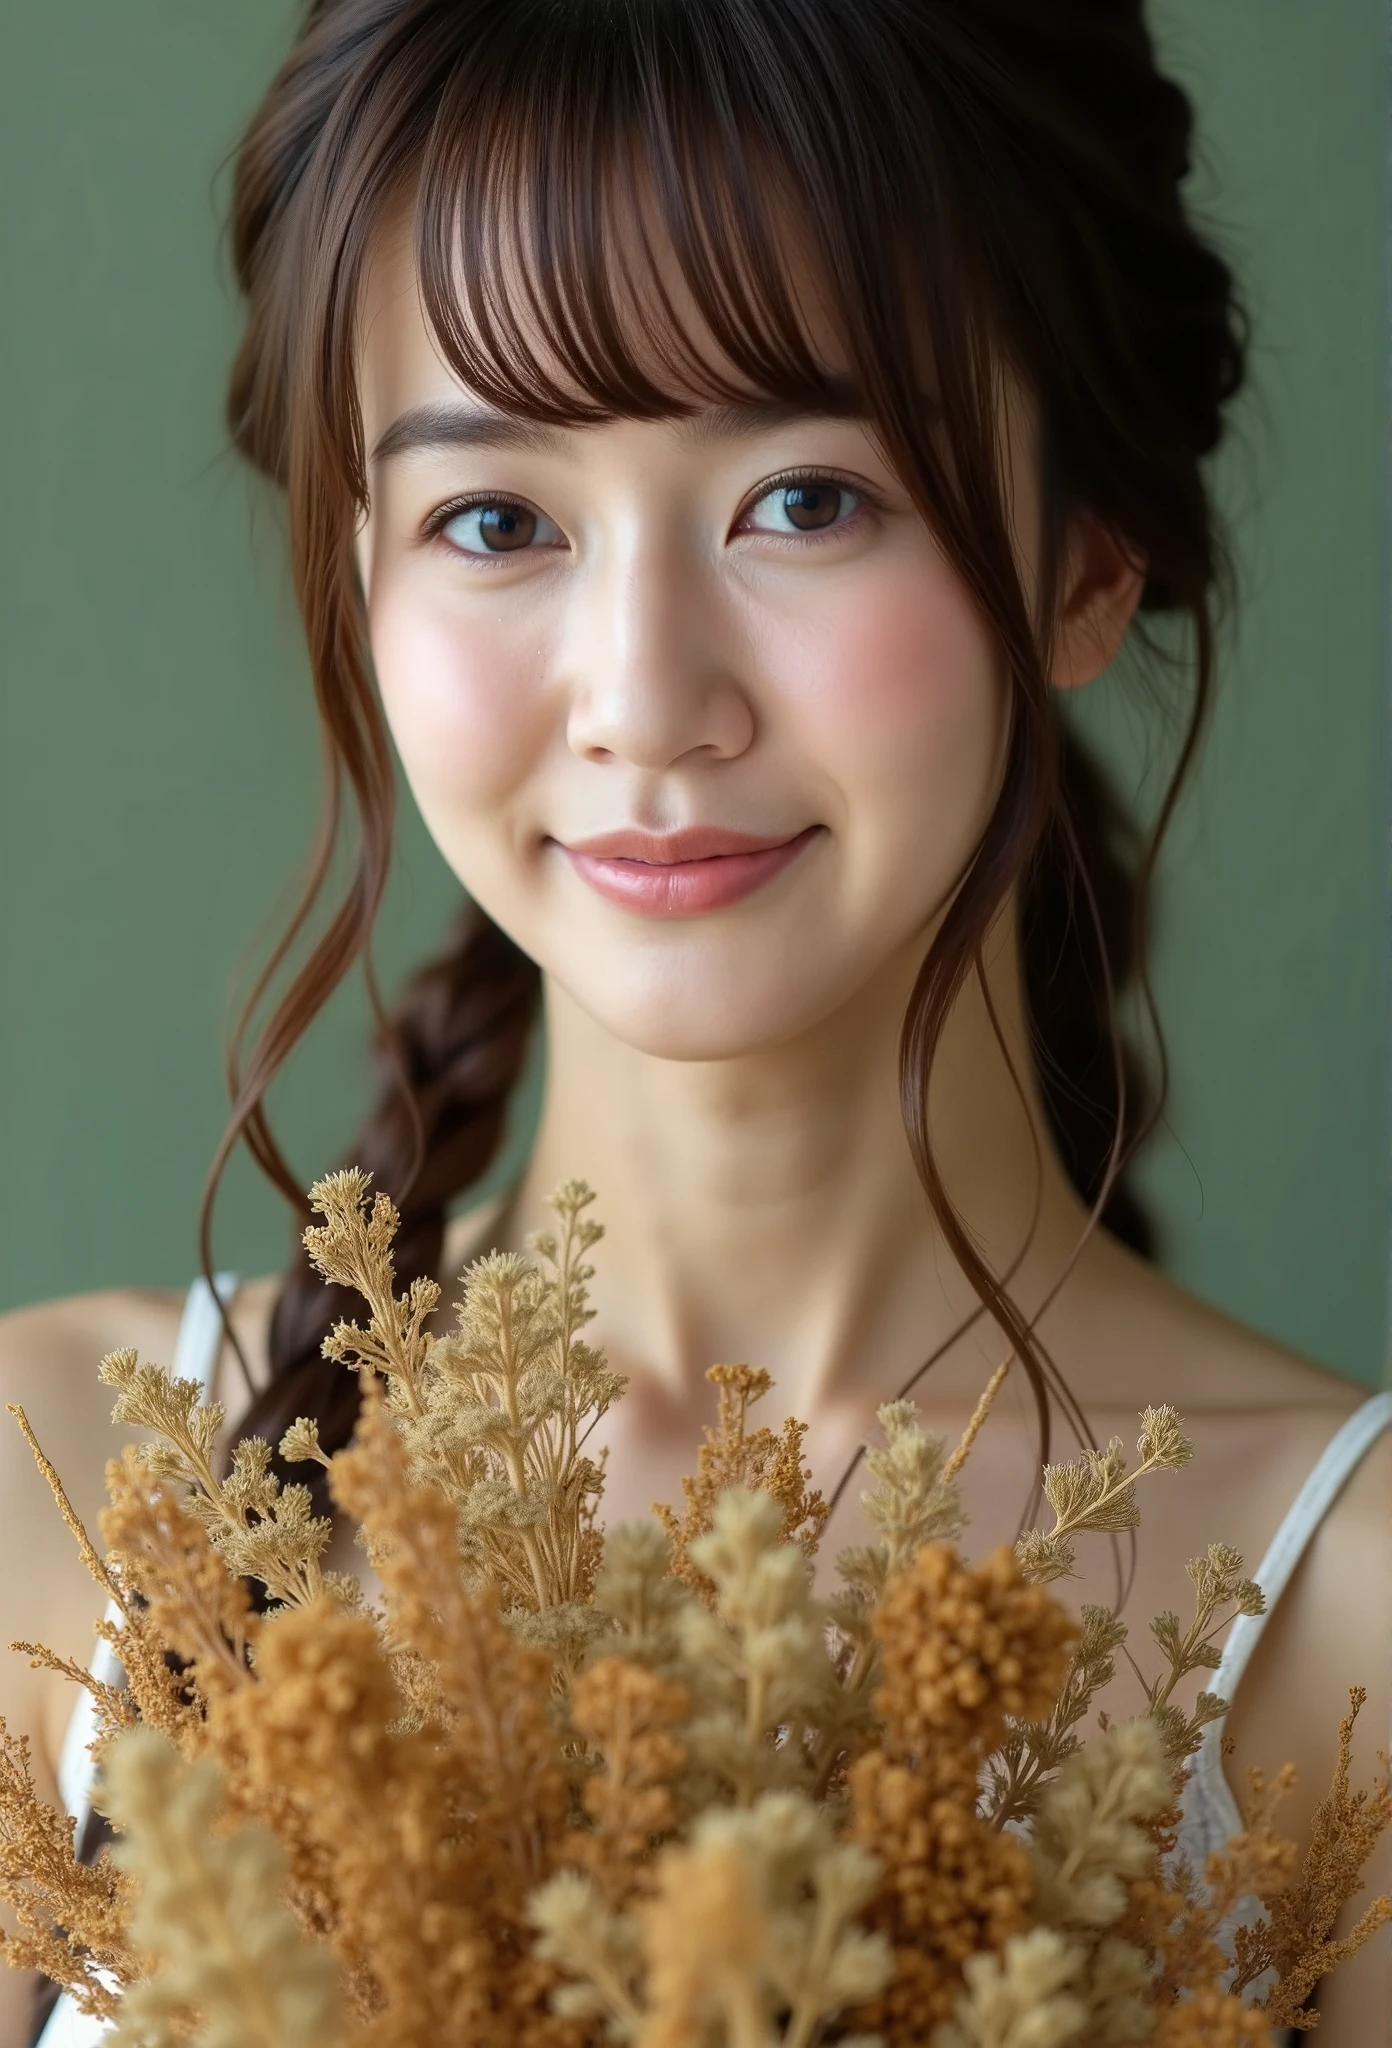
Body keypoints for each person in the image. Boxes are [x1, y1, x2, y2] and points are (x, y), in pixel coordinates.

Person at [2, 1, 1388, 2041]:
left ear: (1092, 551)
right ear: (353, 571)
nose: (646, 697)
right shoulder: (51, 1502)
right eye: (499, 521)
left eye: (807, 499)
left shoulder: (1347, 1633)